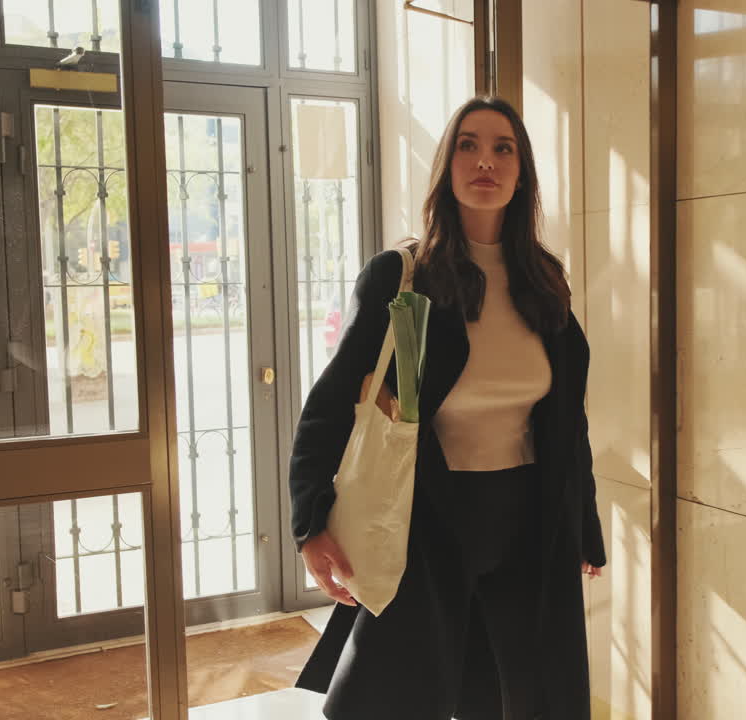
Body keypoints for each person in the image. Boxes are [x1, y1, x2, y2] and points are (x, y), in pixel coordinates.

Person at [288, 96, 606, 720]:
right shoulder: (402, 275)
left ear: (522, 173)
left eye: (502, 148)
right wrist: (310, 521)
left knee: (518, 697)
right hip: (425, 518)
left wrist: (583, 522)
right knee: (396, 697)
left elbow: (568, 419)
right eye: (468, 145)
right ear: (447, 166)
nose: (485, 160)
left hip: (526, 520)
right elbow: (330, 403)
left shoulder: (545, 280)